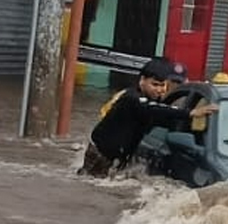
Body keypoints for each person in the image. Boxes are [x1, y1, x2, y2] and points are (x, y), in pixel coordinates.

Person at [80, 57, 216, 177]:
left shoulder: (153, 100)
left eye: (163, 85)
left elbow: (162, 117)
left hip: (119, 154)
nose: (159, 89)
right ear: (142, 80)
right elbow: (155, 110)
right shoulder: (132, 97)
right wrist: (190, 113)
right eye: (155, 85)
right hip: (102, 154)